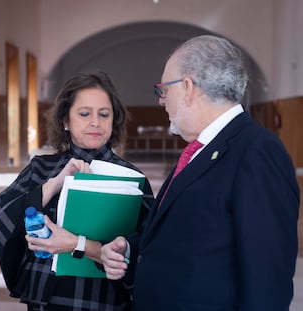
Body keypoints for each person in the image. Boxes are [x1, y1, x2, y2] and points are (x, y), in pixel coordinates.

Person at [101, 35, 300, 310]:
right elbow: (192, 235)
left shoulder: (257, 151)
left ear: (188, 87)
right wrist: (131, 247)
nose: (161, 102)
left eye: (163, 90)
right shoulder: (202, 149)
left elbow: (267, 278)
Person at [0, 71, 153, 311]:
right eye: (84, 114)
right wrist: (55, 183)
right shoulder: (41, 168)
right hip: (47, 292)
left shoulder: (131, 177)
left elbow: (148, 242)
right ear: (65, 120)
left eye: (104, 114)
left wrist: (118, 246)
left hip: (104, 295)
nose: (95, 122)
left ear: (113, 120)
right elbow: (2, 217)